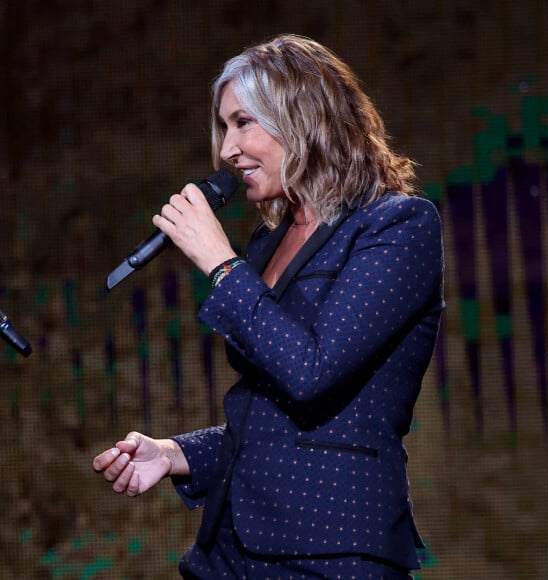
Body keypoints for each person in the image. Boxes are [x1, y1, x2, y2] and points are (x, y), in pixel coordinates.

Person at [93, 33, 444, 579]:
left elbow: (312, 372)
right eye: (224, 127)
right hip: (227, 550)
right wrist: (174, 454)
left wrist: (220, 263)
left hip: (331, 550)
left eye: (243, 123)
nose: (226, 151)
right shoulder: (269, 243)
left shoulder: (397, 226)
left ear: (303, 118)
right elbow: (271, 416)